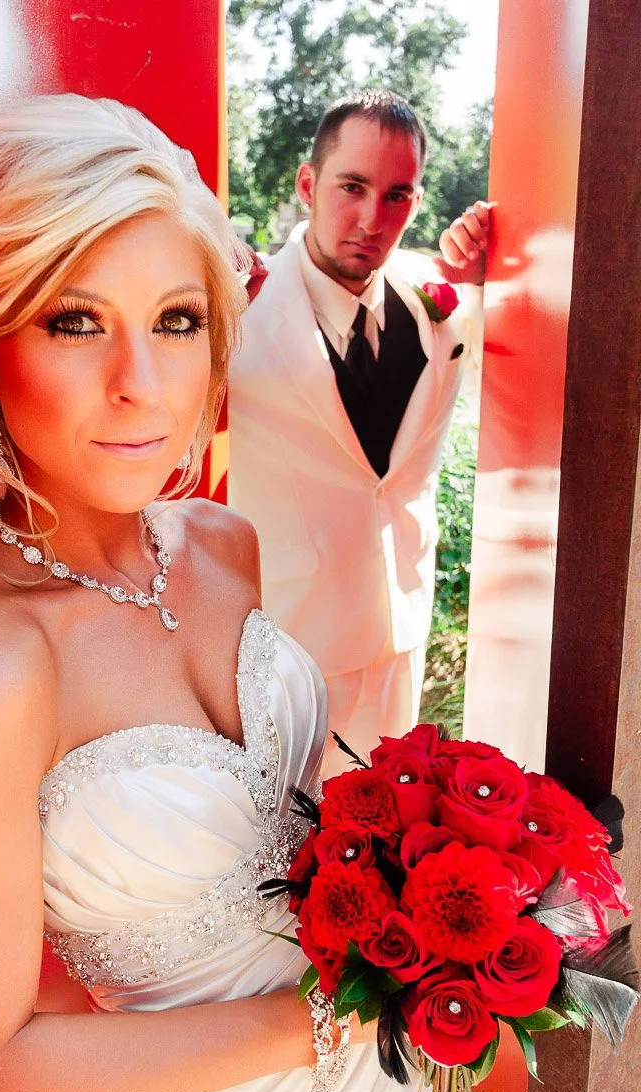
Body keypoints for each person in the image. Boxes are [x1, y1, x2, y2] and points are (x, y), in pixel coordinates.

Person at [0, 93, 480, 1092]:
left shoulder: (222, 543)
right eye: (73, 320)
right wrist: (326, 1018)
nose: (140, 385)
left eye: (174, 320)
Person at [229, 90, 491, 773]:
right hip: (285, 651)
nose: (373, 219)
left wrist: (492, 273)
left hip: (399, 643)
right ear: (308, 184)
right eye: (353, 186)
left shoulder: (438, 310)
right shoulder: (237, 310)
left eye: (398, 195)